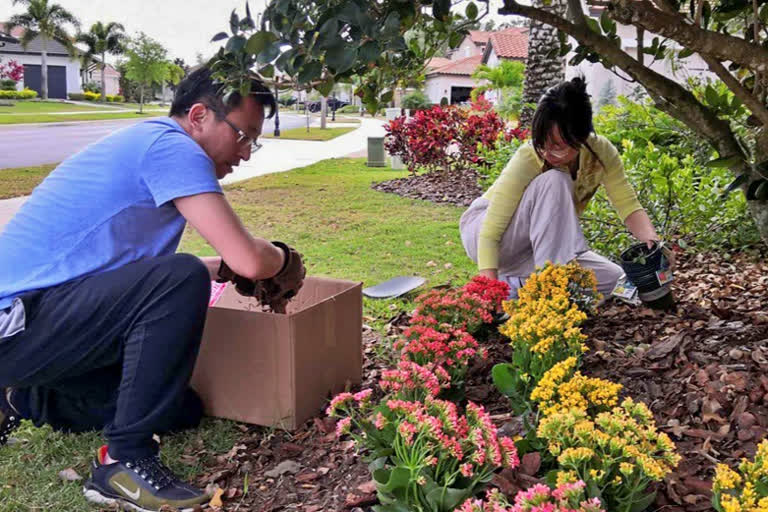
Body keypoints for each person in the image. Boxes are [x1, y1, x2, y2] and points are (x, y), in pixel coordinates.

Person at [0, 67, 305, 511]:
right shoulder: (171, 147)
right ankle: (125, 462)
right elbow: (248, 260)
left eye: (253, 141)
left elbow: (132, 271)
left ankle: (23, 397)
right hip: (15, 320)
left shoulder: (151, 145)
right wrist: (285, 258)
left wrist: (222, 267)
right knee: (181, 276)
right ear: (199, 115)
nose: (246, 153)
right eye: (243, 136)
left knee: (181, 409)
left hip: (43, 324)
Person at [460, 77, 671, 299]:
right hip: (488, 236)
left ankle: (521, 283)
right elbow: (489, 235)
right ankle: (547, 294)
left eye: (557, 147)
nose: (546, 154)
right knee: (556, 180)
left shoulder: (601, 153)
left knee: (616, 281)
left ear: (581, 138)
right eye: (541, 144)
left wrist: (654, 244)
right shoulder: (528, 157)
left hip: (534, 251)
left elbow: (628, 205)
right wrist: (491, 293)